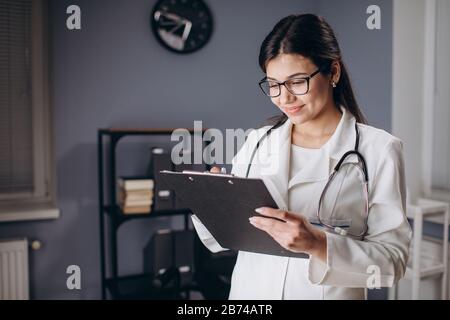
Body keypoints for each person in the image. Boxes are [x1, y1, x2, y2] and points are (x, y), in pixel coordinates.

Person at [191, 13, 411, 300]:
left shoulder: (379, 150)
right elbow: (223, 240)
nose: (284, 98)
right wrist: (213, 202)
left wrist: (318, 244)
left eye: (297, 82)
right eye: (273, 84)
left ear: (333, 72)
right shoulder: (258, 141)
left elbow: (392, 263)